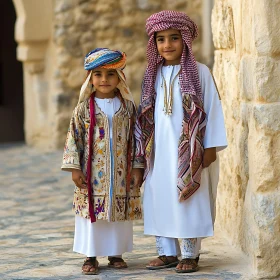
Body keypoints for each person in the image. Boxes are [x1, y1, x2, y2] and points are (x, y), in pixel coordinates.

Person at [134, 10, 227, 273]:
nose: (167, 45)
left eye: (174, 38)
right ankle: (167, 252)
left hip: (191, 150)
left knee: (188, 196)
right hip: (159, 150)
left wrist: (210, 147)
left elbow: (213, 108)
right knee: (158, 194)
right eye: (161, 39)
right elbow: (146, 116)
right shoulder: (152, 74)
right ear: (154, 44)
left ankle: (189, 253)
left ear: (185, 40)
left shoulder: (200, 73)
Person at [61, 48, 143, 275]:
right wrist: (74, 167)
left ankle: (116, 253)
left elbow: (137, 138)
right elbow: (73, 138)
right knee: (92, 216)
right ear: (90, 78)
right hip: (91, 175)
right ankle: (91, 256)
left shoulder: (127, 109)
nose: (104, 80)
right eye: (98, 74)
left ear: (120, 78)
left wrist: (137, 166)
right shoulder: (82, 110)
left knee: (118, 215)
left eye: (110, 74)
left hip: (120, 175)